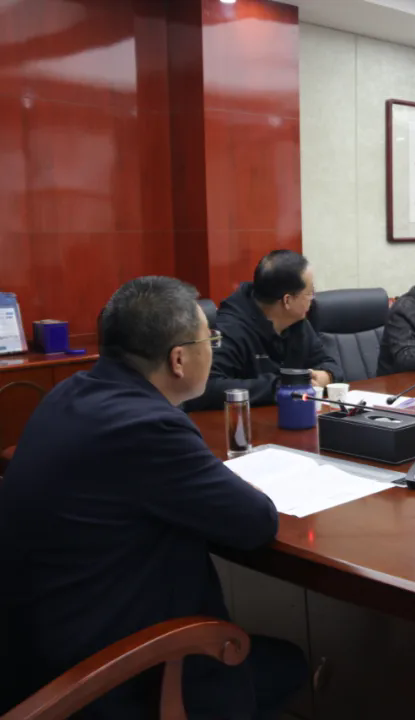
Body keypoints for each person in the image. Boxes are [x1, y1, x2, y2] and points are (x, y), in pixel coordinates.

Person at [0, 277, 306, 718]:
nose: (214, 350)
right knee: (287, 665)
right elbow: (256, 522)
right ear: (178, 359)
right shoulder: (147, 426)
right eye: (210, 341)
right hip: (101, 679)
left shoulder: (71, 392)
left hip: (34, 652)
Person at [186, 249, 342, 411]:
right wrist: (282, 386)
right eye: (309, 293)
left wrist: (326, 376)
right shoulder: (232, 329)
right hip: (242, 421)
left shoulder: (297, 322)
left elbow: (329, 362)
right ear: (287, 300)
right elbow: (208, 387)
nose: (312, 298)